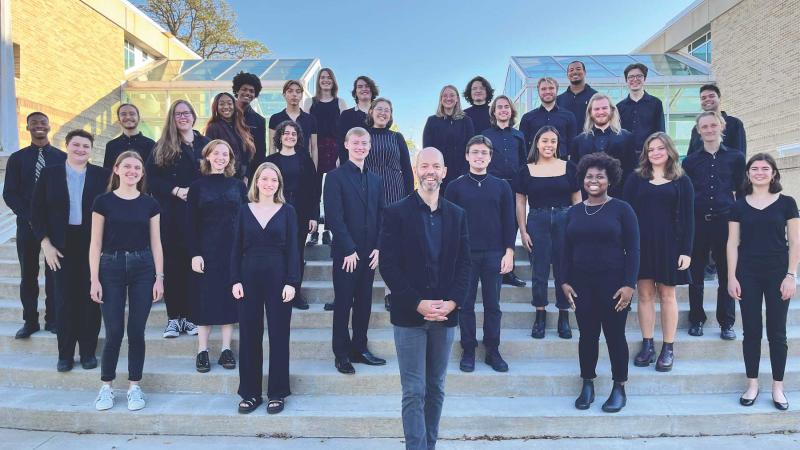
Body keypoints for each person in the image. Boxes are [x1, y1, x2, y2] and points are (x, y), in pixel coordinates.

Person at [380, 147, 471, 450]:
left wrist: (453, 302)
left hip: (445, 315)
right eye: (424, 166)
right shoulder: (395, 212)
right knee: (413, 390)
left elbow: (465, 264)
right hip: (409, 316)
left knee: (436, 388)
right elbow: (389, 265)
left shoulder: (458, 215)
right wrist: (416, 302)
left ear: (445, 171)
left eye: (436, 166)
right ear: (416, 170)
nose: (430, 171)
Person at [561, 152, 639, 413]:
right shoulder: (573, 212)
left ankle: (619, 387)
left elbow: (634, 249)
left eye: (600, 176)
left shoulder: (622, 209)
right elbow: (563, 251)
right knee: (587, 336)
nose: (594, 180)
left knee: (615, 336)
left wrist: (629, 285)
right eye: (589, 176)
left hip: (615, 285)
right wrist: (564, 282)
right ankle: (587, 383)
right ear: (583, 180)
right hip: (582, 285)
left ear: (610, 179)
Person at [89, 151, 163, 412]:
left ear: (142, 174)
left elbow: (156, 242)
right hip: (111, 266)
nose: (132, 171)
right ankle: (106, 387)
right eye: (127, 166)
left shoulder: (149, 204)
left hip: (143, 266)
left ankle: (134, 386)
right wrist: (94, 279)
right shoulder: (103, 202)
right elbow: (95, 243)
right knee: (114, 332)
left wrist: (159, 278)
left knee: (136, 331)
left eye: (137, 168)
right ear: (117, 169)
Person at [31, 129, 110, 372]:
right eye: (76, 145)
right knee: (64, 301)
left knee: (90, 299)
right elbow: (37, 210)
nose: (80, 150)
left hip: (91, 243)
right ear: (67, 146)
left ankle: (87, 352)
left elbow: (109, 210)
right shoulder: (49, 174)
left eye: (86, 146)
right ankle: (65, 354)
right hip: (60, 245)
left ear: (91, 150)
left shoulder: (101, 175)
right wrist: (46, 244)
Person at [727, 153, 798, 410]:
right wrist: (732, 276)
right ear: (748, 174)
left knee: (777, 333)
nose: (759, 172)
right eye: (754, 168)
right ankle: (753, 384)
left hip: (778, 272)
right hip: (748, 273)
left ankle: (778, 387)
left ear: (774, 173)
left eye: (764, 168)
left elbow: (796, 242)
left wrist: (791, 275)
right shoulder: (738, 205)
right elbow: (732, 243)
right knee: (752, 332)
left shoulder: (787, 203)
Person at [231, 162, 299, 415]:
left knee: (279, 336)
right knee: (249, 335)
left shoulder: (288, 211)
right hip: (248, 279)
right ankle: (250, 393)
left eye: (274, 180)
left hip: (279, 278)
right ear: (256, 181)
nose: (269, 184)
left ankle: (277, 393)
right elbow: (234, 248)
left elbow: (294, 249)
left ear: (279, 184)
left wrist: (293, 282)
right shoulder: (243, 210)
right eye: (265, 179)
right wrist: (234, 280)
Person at [623, 132, 694, 371]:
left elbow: (688, 218)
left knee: (667, 296)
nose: (655, 153)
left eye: (660, 148)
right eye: (651, 149)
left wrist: (686, 250)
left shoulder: (682, 180)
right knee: (644, 295)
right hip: (641, 244)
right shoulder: (635, 179)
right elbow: (626, 214)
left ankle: (668, 347)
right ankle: (647, 345)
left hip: (670, 245)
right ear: (646, 153)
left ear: (669, 151)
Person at [445, 135, 514, 373]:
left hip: (494, 253)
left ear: (490, 156)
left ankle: (492, 350)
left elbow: (509, 221)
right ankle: (468, 349)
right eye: (475, 152)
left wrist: (509, 252)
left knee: (492, 305)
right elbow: (449, 224)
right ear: (467, 156)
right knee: (465, 305)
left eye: (484, 153)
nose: (479, 157)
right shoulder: (455, 187)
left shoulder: (502, 186)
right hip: (465, 256)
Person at [324, 127, 386, 374]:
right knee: (343, 303)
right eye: (356, 143)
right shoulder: (335, 177)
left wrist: (379, 247)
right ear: (347, 145)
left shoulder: (376, 179)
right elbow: (334, 217)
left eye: (364, 143)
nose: (360, 147)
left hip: (370, 253)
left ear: (369, 147)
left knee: (364, 303)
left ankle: (360, 348)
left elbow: (382, 215)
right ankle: (341, 354)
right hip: (346, 254)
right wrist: (348, 248)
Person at [146, 99, 208, 338]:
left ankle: (191, 318)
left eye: (186, 113)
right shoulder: (162, 145)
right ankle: (175, 318)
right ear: (172, 118)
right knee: (173, 266)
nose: (183, 117)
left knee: (195, 267)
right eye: (178, 114)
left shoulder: (205, 143)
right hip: (172, 215)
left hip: (200, 215)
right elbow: (151, 178)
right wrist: (176, 190)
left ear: (193, 116)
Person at [682, 111, 746, 339]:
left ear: (721, 127)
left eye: (713, 126)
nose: (709, 130)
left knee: (727, 273)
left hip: (725, 222)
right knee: (696, 274)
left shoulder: (736, 158)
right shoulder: (689, 161)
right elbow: (686, 195)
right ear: (699, 131)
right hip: (698, 222)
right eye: (704, 127)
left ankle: (726, 323)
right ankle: (697, 319)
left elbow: (742, 192)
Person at [513, 126, 581, 339]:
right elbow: (520, 201)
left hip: (565, 219)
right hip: (537, 220)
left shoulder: (569, 167)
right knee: (539, 272)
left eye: (553, 141)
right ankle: (540, 315)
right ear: (537, 143)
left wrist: (577, 227)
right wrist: (523, 231)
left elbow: (577, 199)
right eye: (545, 141)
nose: (549, 145)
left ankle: (564, 316)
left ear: (558, 144)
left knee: (564, 270)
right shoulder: (526, 169)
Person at [187, 140, 248, 372]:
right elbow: (190, 224)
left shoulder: (238, 186)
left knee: (230, 301)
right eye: (217, 153)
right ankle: (202, 350)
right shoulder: (197, 187)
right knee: (205, 301)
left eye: (226, 154)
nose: (221, 157)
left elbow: (245, 221)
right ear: (208, 157)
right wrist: (194, 254)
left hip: (232, 252)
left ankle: (225, 349)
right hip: (206, 253)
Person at [3, 112, 63, 339]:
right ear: (27, 127)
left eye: (43, 122)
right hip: (27, 225)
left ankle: (53, 319)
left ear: (49, 126)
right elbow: (10, 193)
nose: (39, 126)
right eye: (34, 123)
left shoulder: (61, 158)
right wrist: (30, 216)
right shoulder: (17, 159)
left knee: (54, 273)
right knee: (28, 274)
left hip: (55, 227)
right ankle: (30, 321)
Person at [364, 98, 414, 311]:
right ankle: (359, 288)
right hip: (368, 192)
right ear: (372, 111)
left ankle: (391, 292)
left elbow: (407, 169)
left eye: (387, 110)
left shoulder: (397, 137)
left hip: (395, 192)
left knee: (394, 245)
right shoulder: (363, 136)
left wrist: (411, 198)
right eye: (379, 109)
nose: (383, 113)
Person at [266, 120, 319, 310]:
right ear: (280, 136)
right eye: (286, 133)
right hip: (275, 212)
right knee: (277, 253)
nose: (290, 137)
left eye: (293, 134)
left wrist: (314, 215)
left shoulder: (305, 159)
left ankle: (295, 292)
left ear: (298, 138)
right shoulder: (270, 161)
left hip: (301, 212)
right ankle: (276, 291)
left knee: (296, 253)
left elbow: (314, 189)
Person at [481, 95, 527, 288]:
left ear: (511, 111)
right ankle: (491, 270)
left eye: (506, 107)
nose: (502, 110)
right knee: (493, 227)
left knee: (512, 226)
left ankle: (509, 271)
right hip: (492, 186)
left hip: (514, 187)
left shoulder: (519, 135)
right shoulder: (484, 136)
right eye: (499, 107)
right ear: (494, 112)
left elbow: (524, 162)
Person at [303, 68, 347, 247]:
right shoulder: (309, 102)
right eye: (322, 77)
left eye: (329, 77)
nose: (325, 80)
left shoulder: (340, 102)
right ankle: (313, 232)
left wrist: (341, 155)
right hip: (315, 148)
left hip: (334, 148)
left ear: (333, 81)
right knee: (314, 191)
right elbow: (305, 129)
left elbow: (345, 130)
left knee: (332, 191)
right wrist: (306, 153)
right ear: (318, 81)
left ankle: (329, 230)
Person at [569, 93, 636, 196]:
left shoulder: (627, 137)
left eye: (604, 108)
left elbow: (631, 172)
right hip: (587, 200)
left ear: (612, 110)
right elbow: (575, 175)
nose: (601, 112)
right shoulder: (579, 141)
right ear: (590, 112)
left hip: (619, 199)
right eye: (596, 109)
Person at [423, 85, 475, 188]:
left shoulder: (466, 121)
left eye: (452, 95)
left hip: (461, 176)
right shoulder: (432, 121)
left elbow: (471, 149)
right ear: (441, 99)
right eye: (445, 95)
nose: (448, 98)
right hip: (438, 176)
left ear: (457, 99)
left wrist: (464, 173)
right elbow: (427, 150)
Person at [616, 64, 665, 160]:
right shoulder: (619, 107)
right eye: (631, 77)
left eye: (639, 76)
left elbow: (660, 132)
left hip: (649, 156)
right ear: (626, 80)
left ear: (644, 79)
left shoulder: (656, 103)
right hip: (625, 157)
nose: (635, 79)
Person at [519, 77, 577, 157]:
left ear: (556, 90)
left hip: (561, 165)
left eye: (551, 88)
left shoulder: (569, 116)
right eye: (543, 89)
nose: (547, 91)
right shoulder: (527, 117)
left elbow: (572, 144)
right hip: (535, 165)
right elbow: (522, 146)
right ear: (538, 92)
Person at [204, 92, 256, 181]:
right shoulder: (213, 128)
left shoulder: (241, 126)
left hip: (243, 179)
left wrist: (246, 177)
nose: (226, 107)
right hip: (224, 179)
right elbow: (210, 157)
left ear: (234, 105)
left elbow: (247, 155)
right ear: (216, 107)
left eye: (229, 103)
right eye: (221, 104)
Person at [269, 80, 318, 166]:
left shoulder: (310, 119)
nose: (294, 94)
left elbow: (314, 148)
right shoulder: (275, 118)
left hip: (305, 165)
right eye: (290, 91)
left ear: (301, 95)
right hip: (281, 165)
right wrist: (272, 168)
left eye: (298, 91)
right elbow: (272, 147)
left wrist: (314, 170)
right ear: (284, 95)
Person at [687, 84, 746, 155]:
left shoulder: (734, 123)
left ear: (719, 99)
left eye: (711, 96)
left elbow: (740, 154)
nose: (707, 99)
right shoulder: (696, 129)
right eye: (703, 98)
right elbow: (691, 155)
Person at [232, 71, 267, 179]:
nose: (248, 93)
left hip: (249, 173)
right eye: (244, 89)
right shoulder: (226, 115)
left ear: (255, 95)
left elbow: (260, 152)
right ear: (237, 90)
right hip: (226, 169)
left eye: (251, 91)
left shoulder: (259, 120)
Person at [337, 75, 378, 165]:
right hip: (353, 166)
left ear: (372, 90)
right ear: (355, 92)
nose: (364, 89)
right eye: (360, 87)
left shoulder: (380, 115)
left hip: (377, 165)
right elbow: (341, 143)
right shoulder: (346, 115)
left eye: (367, 86)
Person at [103, 103, 156, 170]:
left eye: (132, 114)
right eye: (123, 114)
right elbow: (107, 173)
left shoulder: (151, 144)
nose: (128, 117)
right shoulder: (111, 145)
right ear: (119, 120)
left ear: (138, 118)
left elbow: (154, 172)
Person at [557, 60, 598, 133]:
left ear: (585, 72)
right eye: (571, 70)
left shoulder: (595, 96)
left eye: (578, 69)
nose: (574, 72)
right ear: (567, 75)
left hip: (589, 141)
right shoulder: (559, 99)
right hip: (566, 142)